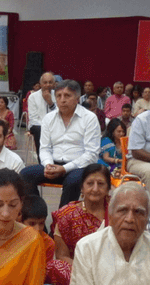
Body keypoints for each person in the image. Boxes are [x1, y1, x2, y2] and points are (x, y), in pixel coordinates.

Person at [22, 79, 102, 208]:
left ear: (77, 98)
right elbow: (44, 148)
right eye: (58, 96)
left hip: (79, 167)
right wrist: (48, 165)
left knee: (73, 181)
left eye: (67, 96)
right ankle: (37, 216)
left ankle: (61, 222)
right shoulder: (49, 118)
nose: (62, 100)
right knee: (25, 174)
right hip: (54, 165)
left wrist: (65, 169)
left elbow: (91, 154)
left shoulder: (89, 118)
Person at [44, 164, 111, 285]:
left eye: (100, 184)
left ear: (108, 189)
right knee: (55, 267)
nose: (95, 189)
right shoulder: (67, 214)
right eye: (90, 183)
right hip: (79, 271)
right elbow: (62, 256)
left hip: (111, 271)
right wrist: (86, 271)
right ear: (82, 188)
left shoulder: (116, 212)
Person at [19, 195, 58, 285]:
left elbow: (41, 276)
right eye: (32, 223)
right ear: (20, 221)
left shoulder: (48, 243)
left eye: (41, 223)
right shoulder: (12, 238)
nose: (37, 229)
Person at [26, 72, 57, 153]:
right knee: (39, 130)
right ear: (40, 84)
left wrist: (51, 103)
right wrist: (45, 127)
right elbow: (33, 118)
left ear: (54, 84)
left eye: (50, 82)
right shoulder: (33, 97)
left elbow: (60, 114)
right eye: (45, 82)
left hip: (55, 125)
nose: (48, 85)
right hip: (38, 126)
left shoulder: (58, 95)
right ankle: (42, 160)